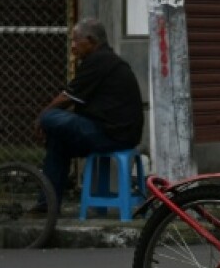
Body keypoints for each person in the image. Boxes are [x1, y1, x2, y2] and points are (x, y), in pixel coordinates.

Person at [37, 18, 144, 211]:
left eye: (76, 41)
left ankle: (47, 205)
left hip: (111, 134)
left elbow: (66, 98)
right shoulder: (108, 60)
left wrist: (41, 119)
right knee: (57, 142)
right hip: (118, 134)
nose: (73, 46)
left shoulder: (99, 61)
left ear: (91, 41)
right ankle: (47, 205)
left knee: (49, 118)